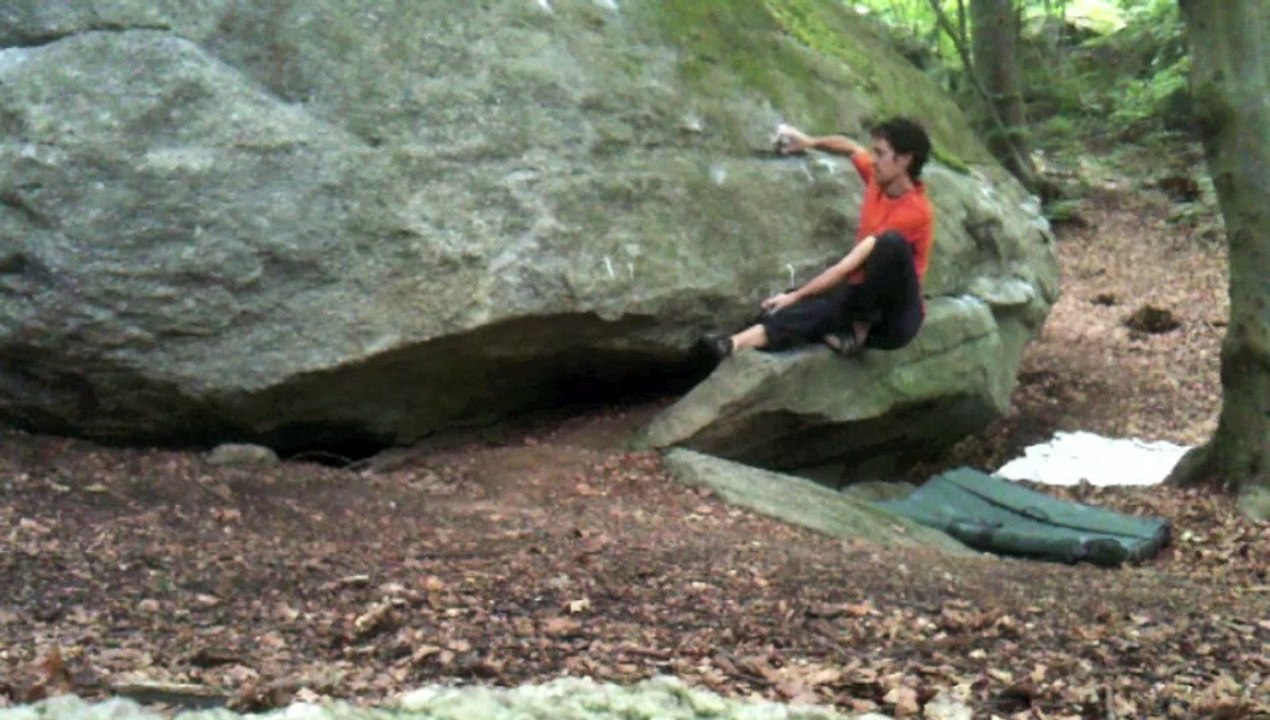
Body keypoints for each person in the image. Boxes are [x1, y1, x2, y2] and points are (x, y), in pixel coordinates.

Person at [702, 117, 935, 360]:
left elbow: (848, 266)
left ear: (905, 159)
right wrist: (809, 142)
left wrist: (799, 294)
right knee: (794, 309)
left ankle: (857, 331)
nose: (873, 159)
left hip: (893, 320)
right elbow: (851, 147)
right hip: (859, 293)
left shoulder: (916, 212)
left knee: (890, 245)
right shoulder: (880, 179)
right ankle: (731, 344)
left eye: (880, 153)